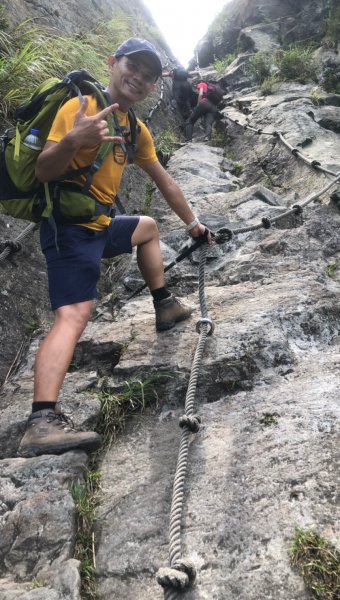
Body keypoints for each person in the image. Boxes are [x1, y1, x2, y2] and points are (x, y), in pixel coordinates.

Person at [18, 38, 210, 458]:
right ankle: (42, 420)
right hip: (67, 229)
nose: (138, 78)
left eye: (148, 74)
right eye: (132, 67)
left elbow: (164, 180)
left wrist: (193, 224)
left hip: (99, 225)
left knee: (146, 226)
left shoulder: (134, 128)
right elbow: (44, 169)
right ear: (112, 63)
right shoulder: (81, 106)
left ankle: (164, 304)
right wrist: (74, 138)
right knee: (73, 314)